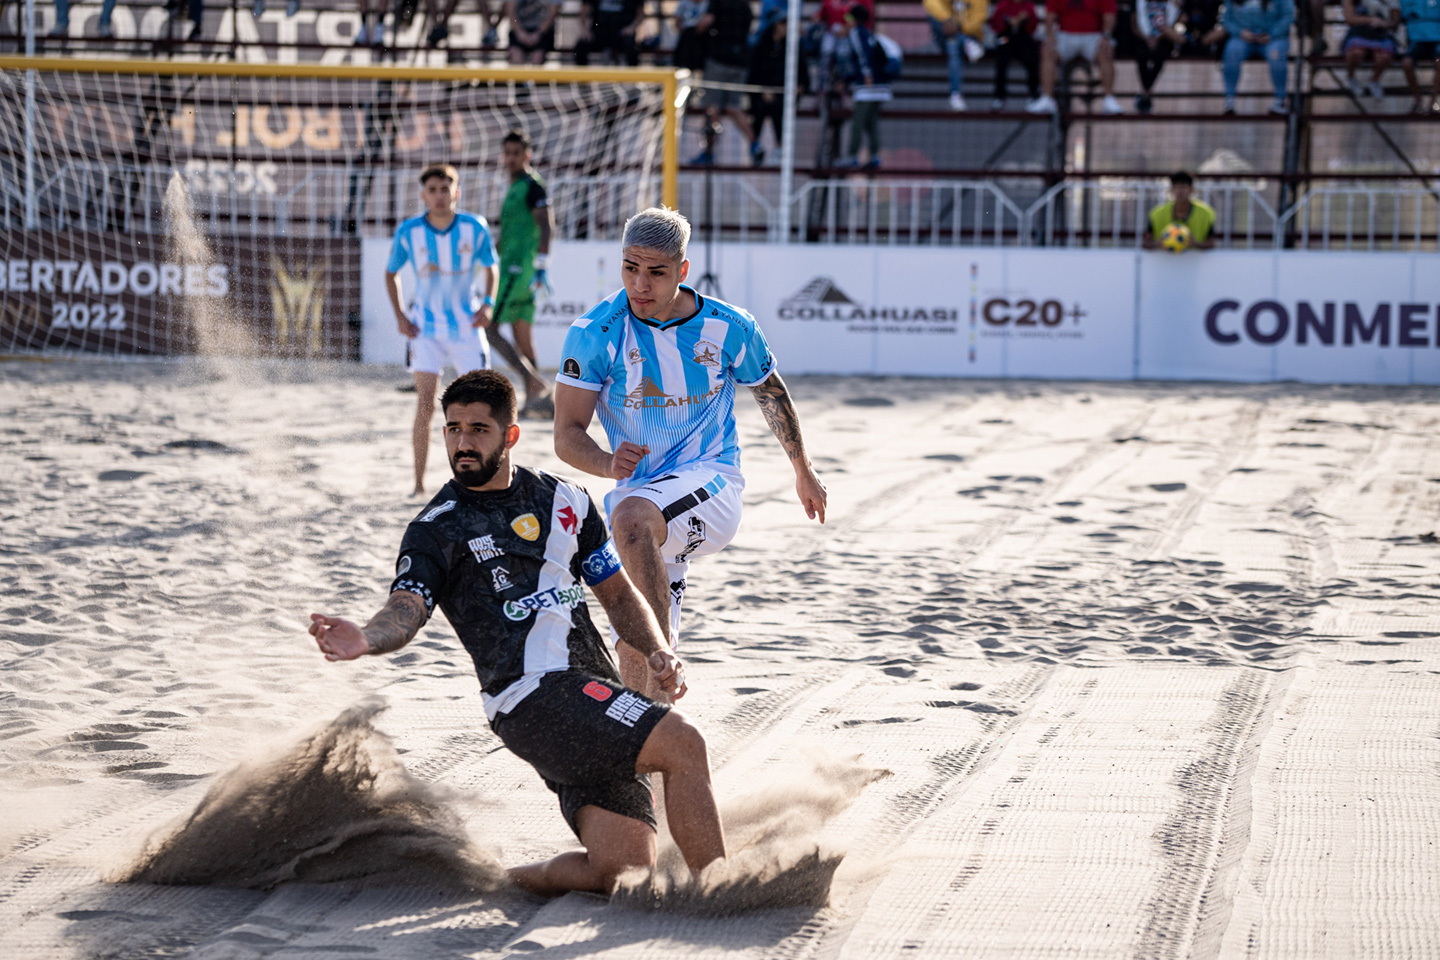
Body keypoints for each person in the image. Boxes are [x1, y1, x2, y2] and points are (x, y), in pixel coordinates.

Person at [310, 370, 727, 895]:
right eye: (453, 428)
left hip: (590, 690)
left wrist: (657, 649)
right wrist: (368, 638)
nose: (462, 442)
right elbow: (407, 606)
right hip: (531, 697)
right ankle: (723, 890)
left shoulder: (566, 502)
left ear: (510, 436)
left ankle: (500, 882)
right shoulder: (436, 528)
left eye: (479, 429)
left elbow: (619, 596)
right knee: (683, 742)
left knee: (624, 870)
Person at [552, 208, 827, 700]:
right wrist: (604, 463)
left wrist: (802, 471)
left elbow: (771, 393)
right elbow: (567, 434)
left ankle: (662, 655)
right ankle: (648, 765)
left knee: (632, 529)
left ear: (681, 270)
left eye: (656, 272)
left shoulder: (729, 325)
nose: (640, 284)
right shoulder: (594, 332)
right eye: (630, 267)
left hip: (713, 483)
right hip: (639, 503)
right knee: (631, 655)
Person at [385, 163, 498, 496]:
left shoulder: (473, 226)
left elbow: (491, 267)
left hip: (466, 327)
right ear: (423, 195)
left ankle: (489, 479)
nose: (438, 195)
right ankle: (419, 484)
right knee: (426, 405)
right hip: (426, 331)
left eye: (444, 189)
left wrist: (488, 303)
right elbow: (390, 273)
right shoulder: (410, 231)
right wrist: (400, 316)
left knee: (483, 404)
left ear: (456, 192)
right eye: (432, 190)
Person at [492, 131, 556, 419]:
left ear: (527, 156)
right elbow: (511, 232)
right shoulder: (516, 186)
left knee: (488, 326)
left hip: (519, 270)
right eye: (508, 153)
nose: (511, 158)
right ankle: (540, 398)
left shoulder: (532, 186)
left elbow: (546, 224)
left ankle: (533, 382)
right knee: (522, 335)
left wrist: (542, 262)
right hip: (517, 267)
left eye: (517, 153)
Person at [1026, 0, 1125, 114]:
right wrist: (1050, 36)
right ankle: (1047, 98)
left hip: (1093, 35)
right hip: (1066, 34)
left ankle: (1109, 99)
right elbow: (1050, 15)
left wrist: (1106, 36)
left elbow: (1109, 15)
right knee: (1048, 50)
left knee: (1106, 51)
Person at [691, 0, 756, 165]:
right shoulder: (746, 6)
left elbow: (705, 23)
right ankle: (754, 144)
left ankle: (709, 151)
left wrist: (695, 30)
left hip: (719, 60)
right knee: (733, 106)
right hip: (741, 62)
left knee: (713, 107)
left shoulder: (718, 3)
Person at [838, 4, 892, 168]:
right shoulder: (868, 34)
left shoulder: (856, 33)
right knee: (872, 122)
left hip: (867, 86)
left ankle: (851, 156)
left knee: (858, 122)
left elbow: (862, 55)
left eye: (849, 19)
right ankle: (874, 156)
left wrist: (867, 74)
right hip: (880, 85)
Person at [1219, 0, 1295, 115]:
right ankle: (1229, 100)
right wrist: (1240, 32)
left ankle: (1280, 100)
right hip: (1242, 37)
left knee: (1276, 53)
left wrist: (1272, 34)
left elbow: (1288, 16)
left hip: (1273, 38)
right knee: (1232, 51)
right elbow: (1227, 19)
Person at [926, 0, 989, 110]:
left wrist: (958, 27)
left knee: (953, 46)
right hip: (946, 31)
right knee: (934, 18)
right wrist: (947, 19)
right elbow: (930, 2)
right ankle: (965, 42)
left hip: (969, 35)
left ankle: (955, 94)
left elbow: (978, 20)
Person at [1143, 171, 1217, 249]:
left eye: (1183, 187)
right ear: (1171, 190)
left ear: (1191, 190)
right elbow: (1145, 243)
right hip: (1165, 258)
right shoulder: (1156, 213)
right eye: (1176, 187)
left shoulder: (1205, 213)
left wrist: (1195, 244)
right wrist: (1158, 244)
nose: (1180, 191)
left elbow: (1211, 243)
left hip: (1194, 258)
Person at [1341, 0, 1400, 98]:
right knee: (1356, 53)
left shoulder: (1392, 2)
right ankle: (1351, 77)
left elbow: (1395, 21)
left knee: (1384, 57)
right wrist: (1370, 20)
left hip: (1381, 34)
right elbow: (1349, 18)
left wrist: (1383, 24)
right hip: (1359, 32)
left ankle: (1374, 80)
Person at [1133, 0, 1185, 112]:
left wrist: (1158, 37)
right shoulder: (1139, 3)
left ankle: (1145, 92)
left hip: (1163, 39)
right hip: (1143, 38)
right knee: (1141, 55)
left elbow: (1176, 21)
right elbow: (1134, 23)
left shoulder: (1172, 3)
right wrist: (1147, 38)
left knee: (1160, 56)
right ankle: (1146, 93)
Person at [990, 0, 1042, 108]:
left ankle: (1033, 94)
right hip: (1006, 39)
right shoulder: (1003, 5)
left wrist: (1023, 20)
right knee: (1001, 57)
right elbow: (995, 24)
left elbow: (1033, 27)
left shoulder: (1028, 6)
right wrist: (1008, 21)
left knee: (1032, 58)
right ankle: (999, 96)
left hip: (1022, 39)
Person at [574, 0, 645, 66]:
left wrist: (631, 27)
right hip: (599, 32)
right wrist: (585, 30)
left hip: (622, 33)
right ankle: (582, 78)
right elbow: (584, 11)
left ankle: (632, 77)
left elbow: (640, 13)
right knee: (581, 44)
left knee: (632, 46)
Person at [1400, 0, 1440, 112]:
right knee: (1406, 63)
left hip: (1437, 40)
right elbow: (1404, 14)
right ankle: (1418, 99)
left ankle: (1432, 101)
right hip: (1417, 40)